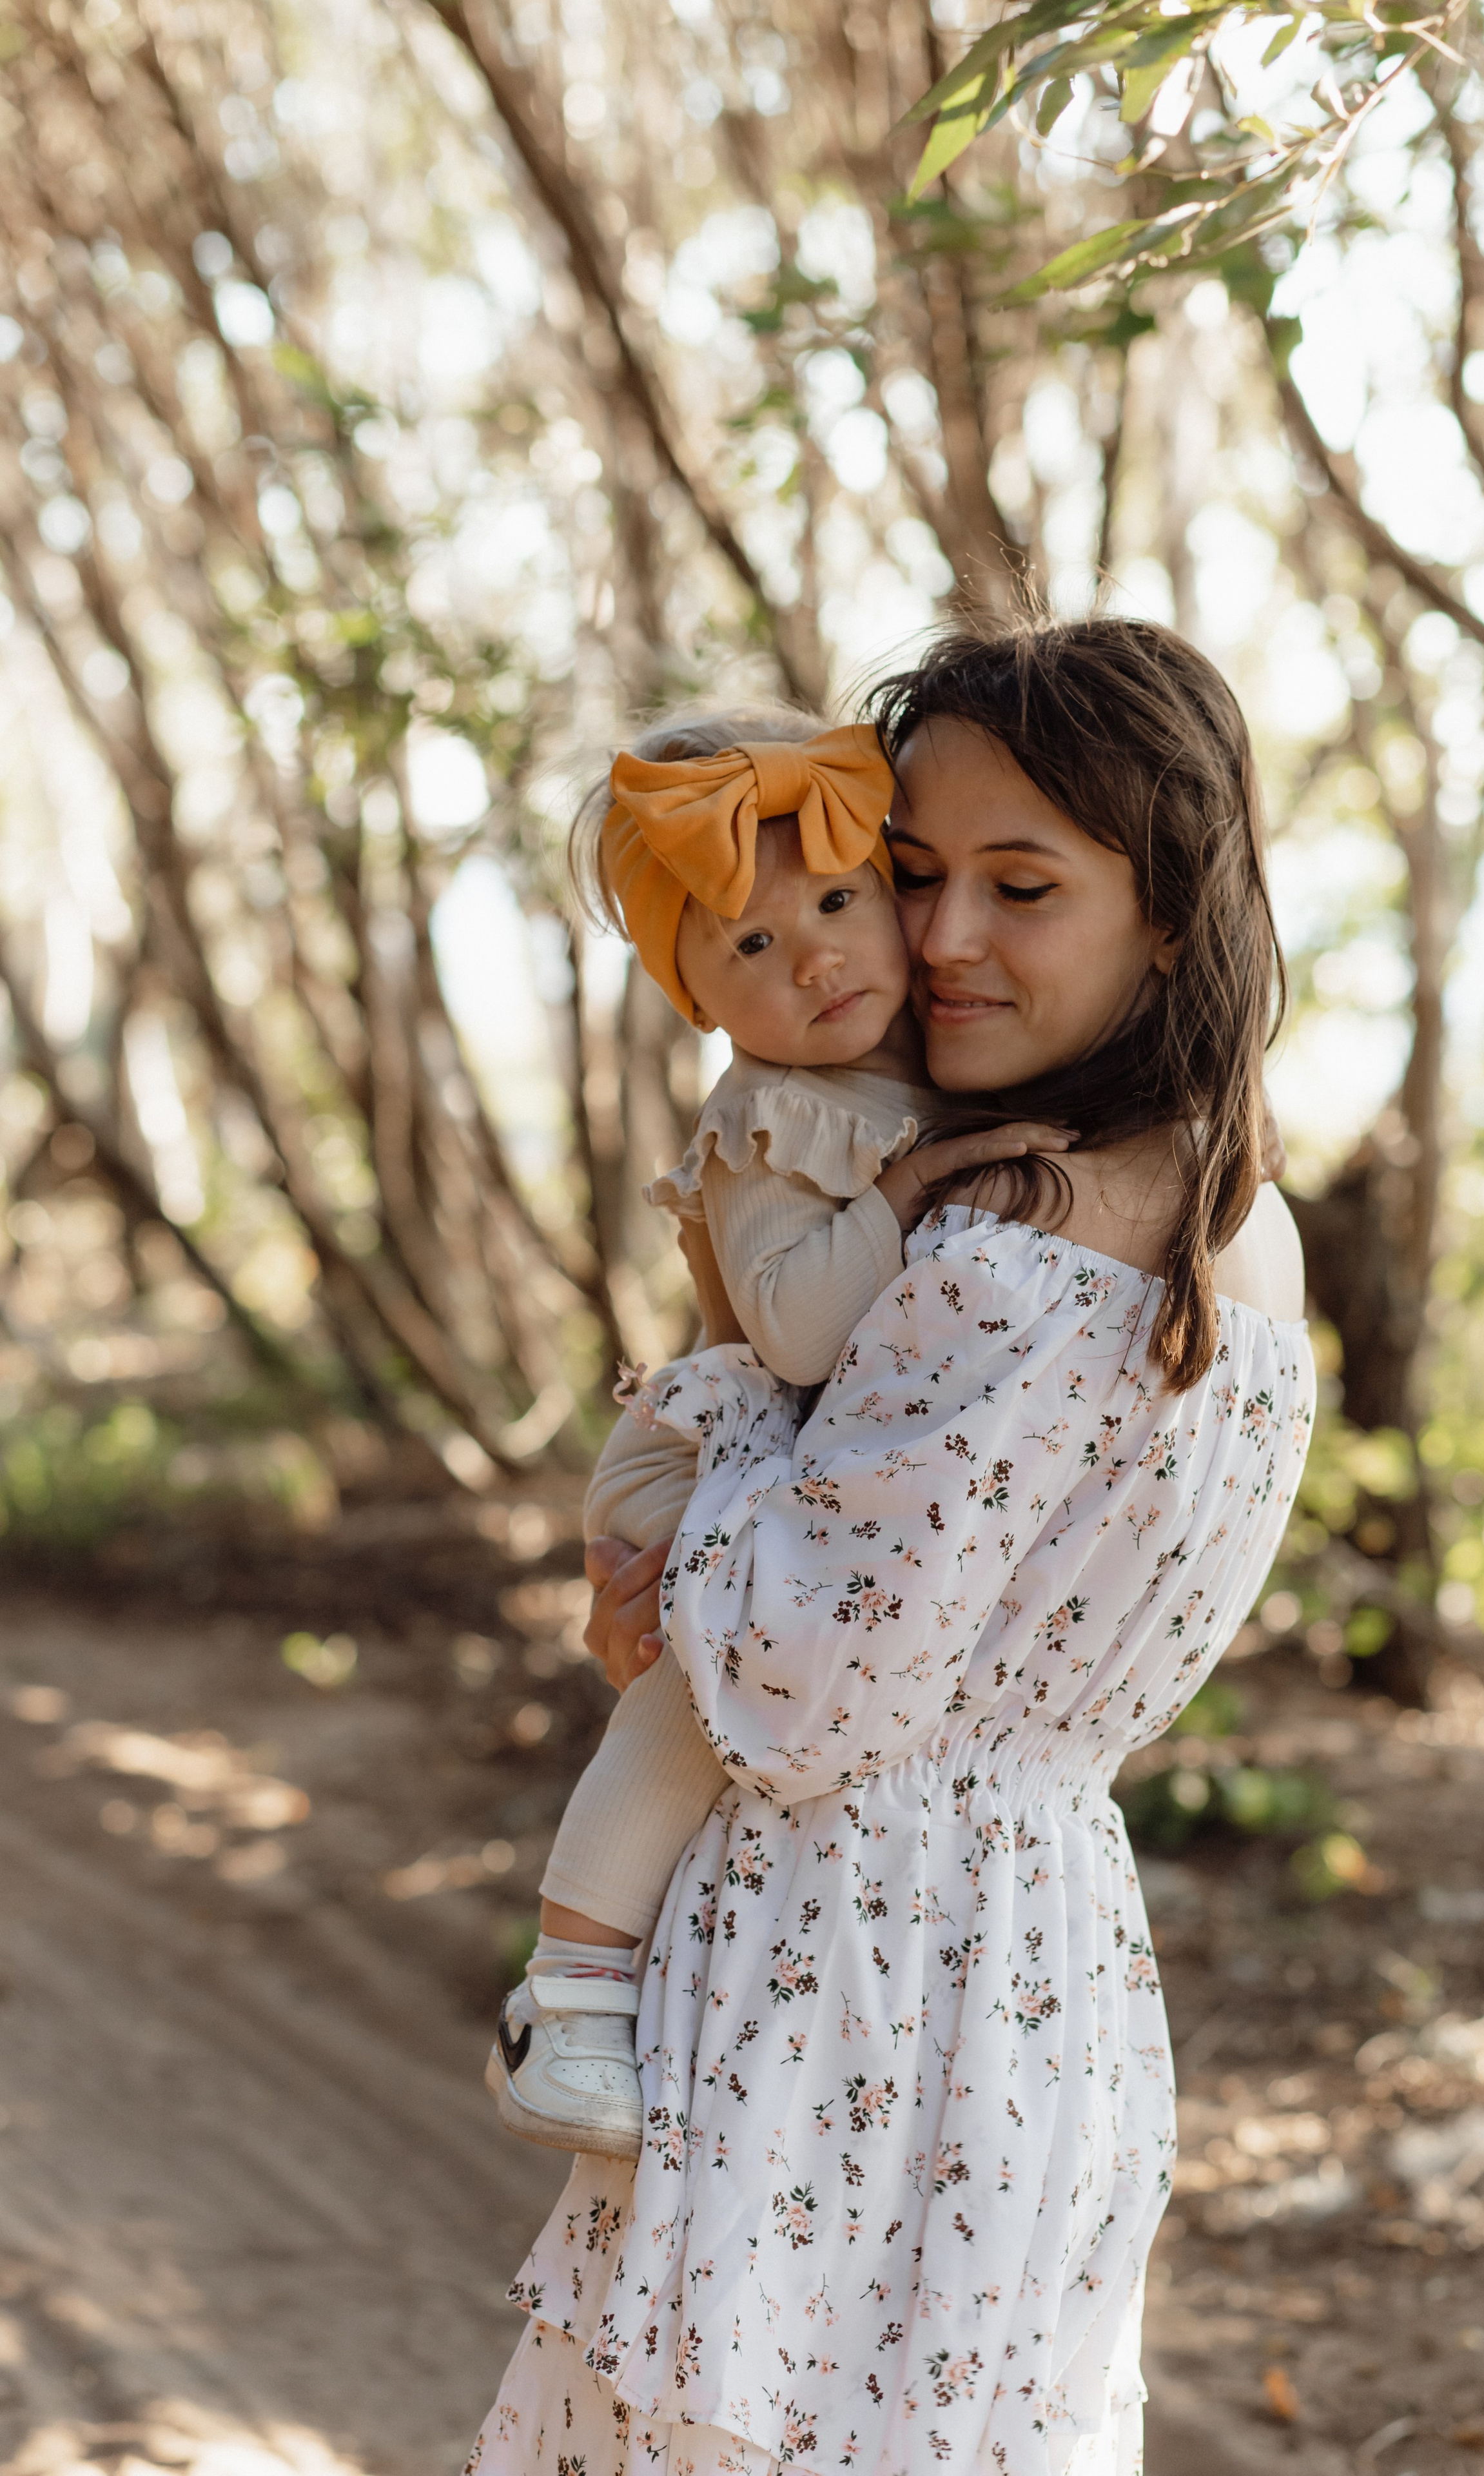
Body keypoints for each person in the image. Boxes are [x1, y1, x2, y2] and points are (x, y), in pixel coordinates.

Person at [467, 616, 1313, 2476]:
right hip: (1048, 1977)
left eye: (1024, 885)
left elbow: (794, 1666)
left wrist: (688, 1511)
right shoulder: (1238, 1219)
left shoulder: (1015, 1247)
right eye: (911, 876)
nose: (937, 940)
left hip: (850, 1972)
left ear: (1171, 907)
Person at [491, 707, 1075, 2157]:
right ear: (692, 995)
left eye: (834, 902)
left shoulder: (908, 1072)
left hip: (777, 1456)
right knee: (697, 1696)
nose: (813, 956)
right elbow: (801, 1336)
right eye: (748, 946)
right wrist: (916, 1183)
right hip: (698, 1458)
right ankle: (564, 1997)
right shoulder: (777, 1119)